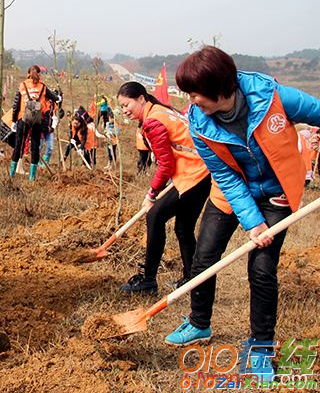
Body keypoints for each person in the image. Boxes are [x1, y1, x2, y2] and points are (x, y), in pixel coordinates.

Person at [163, 46, 320, 382]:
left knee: (262, 270)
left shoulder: (273, 97)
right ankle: (199, 322)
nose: (191, 101)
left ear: (221, 89)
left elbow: (317, 111)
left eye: (195, 94)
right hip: (231, 193)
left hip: (277, 193)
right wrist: (253, 223)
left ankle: (261, 348)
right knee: (204, 256)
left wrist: (264, 221)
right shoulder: (199, 123)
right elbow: (226, 176)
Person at [117, 81, 211, 294]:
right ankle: (191, 279)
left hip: (193, 175)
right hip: (202, 172)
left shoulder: (153, 122)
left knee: (155, 216)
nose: (125, 111)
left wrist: (151, 194)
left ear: (141, 98)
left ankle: (148, 280)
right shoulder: (161, 110)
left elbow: (166, 164)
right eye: (121, 107)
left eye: (127, 105)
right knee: (183, 227)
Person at [9, 65, 60, 181]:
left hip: (23, 118)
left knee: (19, 145)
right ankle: (32, 177)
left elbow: (16, 104)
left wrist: (13, 121)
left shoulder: (22, 85)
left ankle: (11, 175)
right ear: (39, 74)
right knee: (35, 147)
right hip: (38, 120)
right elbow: (55, 98)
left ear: (28, 73)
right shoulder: (43, 87)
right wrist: (59, 97)